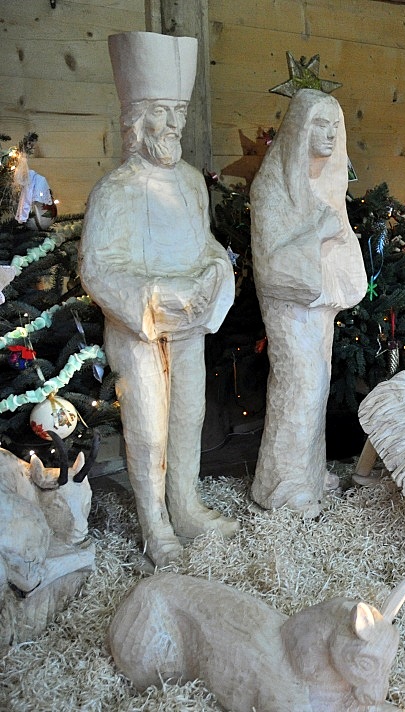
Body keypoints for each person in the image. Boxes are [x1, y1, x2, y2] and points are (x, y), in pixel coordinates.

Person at [80, 32, 236, 566]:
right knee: (148, 426)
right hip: (139, 330)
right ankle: (155, 523)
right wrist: (153, 295)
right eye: (162, 112)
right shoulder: (115, 190)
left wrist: (214, 272)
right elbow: (97, 267)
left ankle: (185, 506)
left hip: (188, 323)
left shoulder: (191, 184)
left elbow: (207, 244)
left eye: (180, 112)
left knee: (189, 415)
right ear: (136, 118)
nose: (174, 125)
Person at [249, 89, 367, 517]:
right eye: (320, 124)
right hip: (289, 306)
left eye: (336, 126)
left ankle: (309, 474)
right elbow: (271, 262)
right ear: (299, 129)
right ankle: (281, 488)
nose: (330, 134)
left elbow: (342, 245)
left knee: (317, 385)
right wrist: (318, 231)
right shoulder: (272, 187)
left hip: (320, 305)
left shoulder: (327, 184)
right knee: (299, 385)